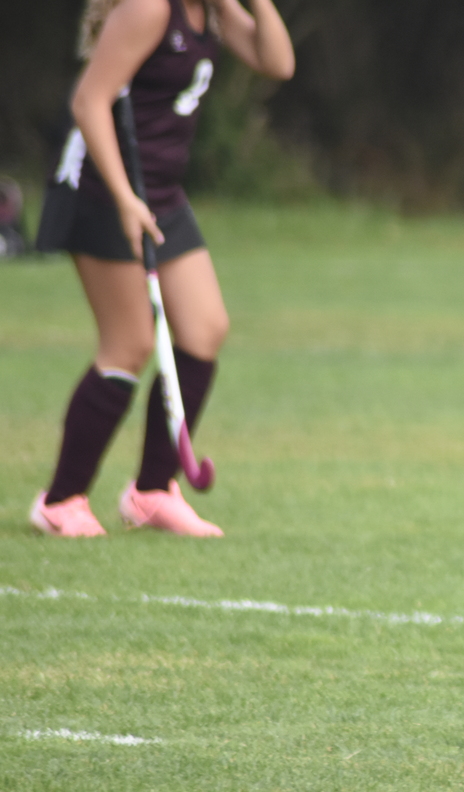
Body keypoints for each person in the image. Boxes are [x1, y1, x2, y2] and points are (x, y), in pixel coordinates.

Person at [29, 0, 293, 537]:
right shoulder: (149, 8)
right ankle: (61, 501)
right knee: (128, 344)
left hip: (162, 193)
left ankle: (152, 492)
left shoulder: (212, 10)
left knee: (203, 330)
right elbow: (89, 100)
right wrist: (125, 198)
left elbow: (277, 62)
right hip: (104, 189)